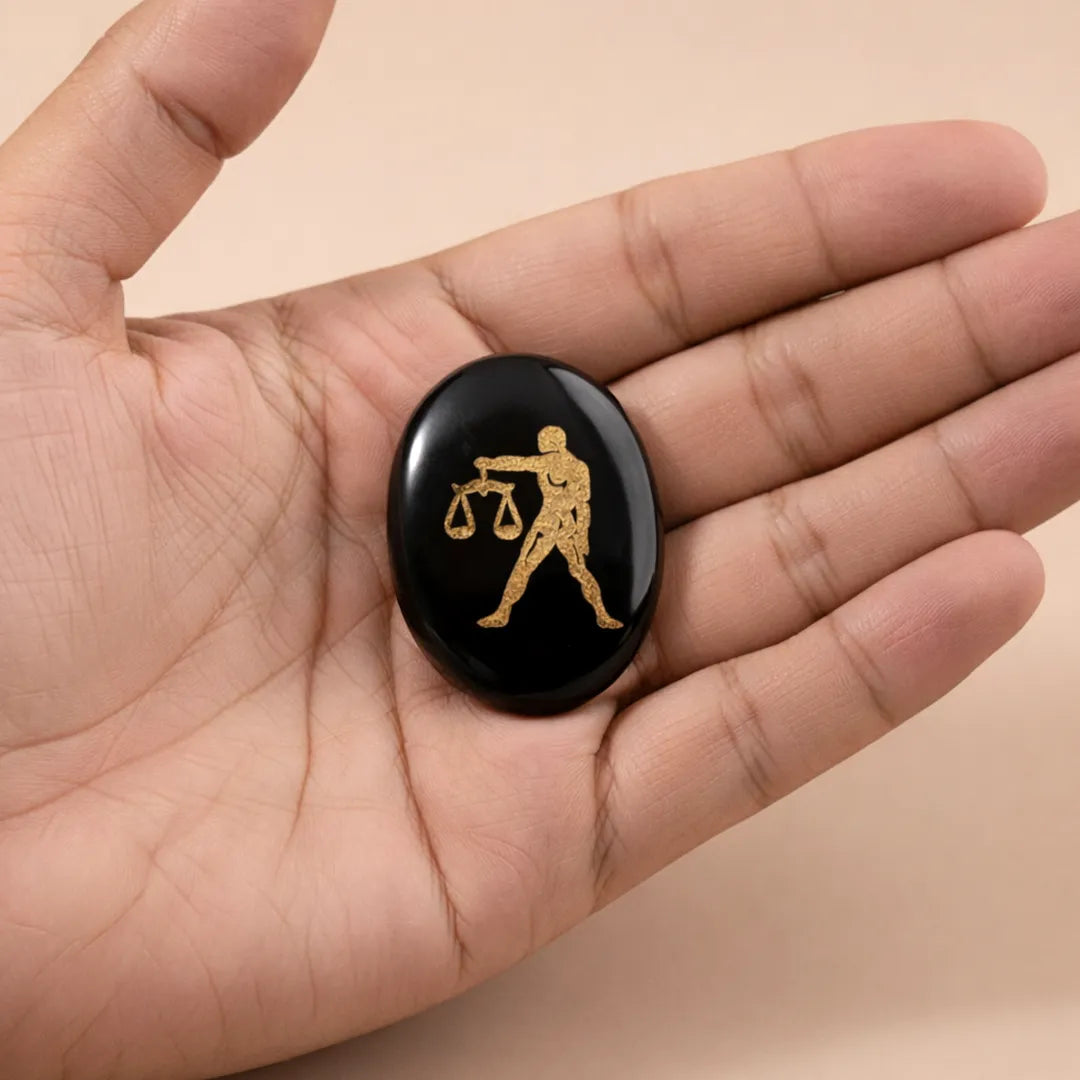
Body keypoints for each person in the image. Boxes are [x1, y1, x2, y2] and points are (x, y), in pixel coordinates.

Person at [0, 1, 1074, 1078]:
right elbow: (512, 470)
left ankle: (581, 613)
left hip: (569, 535)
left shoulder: (570, 462)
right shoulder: (548, 457)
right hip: (551, 535)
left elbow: (532, 475)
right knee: (532, 591)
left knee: (559, 591)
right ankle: (567, 613)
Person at [473, 425, 623, 629]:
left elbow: (519, 463)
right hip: (559, 525)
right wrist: (582, 534)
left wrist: (490, 463)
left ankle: (503, 613)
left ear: (553, 443)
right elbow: (582, 505)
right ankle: (602, 616)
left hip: (554, 525)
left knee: (528, 565)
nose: (539, 444)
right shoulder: (579, 467)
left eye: (542, 441)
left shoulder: (555, 463)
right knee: (576, 570)